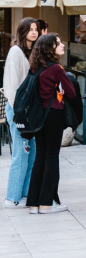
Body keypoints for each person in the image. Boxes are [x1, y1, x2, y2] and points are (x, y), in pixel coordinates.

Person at [24, 34, 76, 214]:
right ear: (50, 48)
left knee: (40, 157)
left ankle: (33, 204)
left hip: (38, 116)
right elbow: (72, 93)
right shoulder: (56, 69)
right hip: (53, 114)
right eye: (58, 43)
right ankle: (47, 203)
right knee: (52, 157)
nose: (62, 45)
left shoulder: (35, 67)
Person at [3, 18, 38, 208]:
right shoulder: (15, 52)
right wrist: (19, 112)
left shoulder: (30, 52)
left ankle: (24, 194)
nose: (34, 32)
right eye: (30, 29)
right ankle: (12, 197)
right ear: (22, 32)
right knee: (21, 152)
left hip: (28, 110)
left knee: (31, 153)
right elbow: (11, 85)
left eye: (36, 29)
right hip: (18, 109)